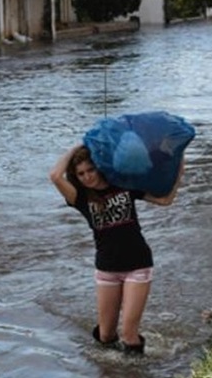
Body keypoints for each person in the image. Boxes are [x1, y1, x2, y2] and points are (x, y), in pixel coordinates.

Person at [49, 144, 184, 355]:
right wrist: (76, 147)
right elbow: (55, 176)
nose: (86, 177)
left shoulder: (123, 184)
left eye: (90, 170)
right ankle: (110, 375)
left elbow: (165, 200)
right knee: (105, 336)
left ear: (99, 167)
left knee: (129, 335)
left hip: (137, 265)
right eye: (80, 174)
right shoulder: (81, 198)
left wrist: (179, 170)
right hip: (107, 269)